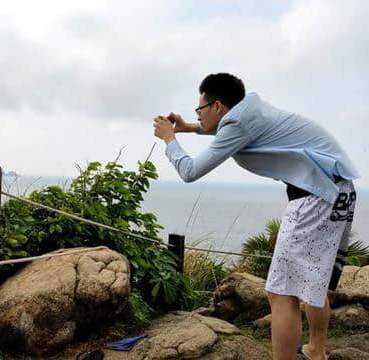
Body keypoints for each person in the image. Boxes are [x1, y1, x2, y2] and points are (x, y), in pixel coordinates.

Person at [152, 73, 359, 360]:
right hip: (339, 190)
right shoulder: (251, 110)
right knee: (315, 279)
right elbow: (231, 131)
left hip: (315, 196)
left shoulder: (238, 122)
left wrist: (170, 139)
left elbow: (190, 171)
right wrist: (191, 128)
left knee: (280, 293)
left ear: (219, 106)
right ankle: (316, 350)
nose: (198, 115)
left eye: (200, 109)